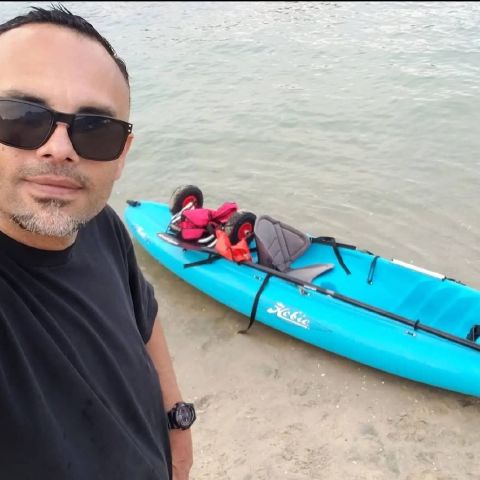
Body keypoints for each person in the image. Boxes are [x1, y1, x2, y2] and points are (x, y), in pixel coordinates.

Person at [0, 5, 194, 479]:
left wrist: (177, 424)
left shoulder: (100, 225)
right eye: (20, 117)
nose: (60, 148)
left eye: (95, 130)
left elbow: (145, 320)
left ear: (122, 155)